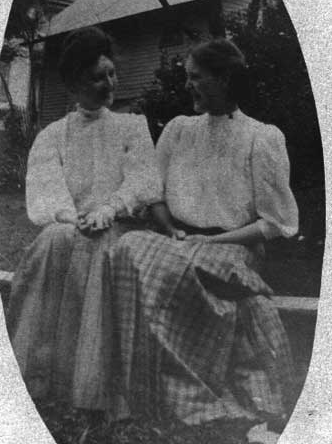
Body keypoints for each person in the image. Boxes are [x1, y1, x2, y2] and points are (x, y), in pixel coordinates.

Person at [111, 37, 299, 439]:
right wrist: (172, 230)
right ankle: (145, 385)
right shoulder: (180, 130)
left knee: (172, 265)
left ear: (225, 78)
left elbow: (275, 222)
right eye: (187, 77)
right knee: (128, 247)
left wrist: (213, 243)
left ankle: (193, 394)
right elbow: (153, 192)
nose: (188, 85)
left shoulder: (261, 137)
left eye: (196, 77)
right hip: (177, 240)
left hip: (232, 249)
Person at [7, 26, 162, 414]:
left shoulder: (132, 127)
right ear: (76, 82)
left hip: (118, 224)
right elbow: (45, 190)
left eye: (111, 73)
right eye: (97, 77)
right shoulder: (54, 135)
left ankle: (93, 381)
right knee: (55, 241)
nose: (108, 83)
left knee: (103, 248)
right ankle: (42, 371)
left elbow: (145, 181)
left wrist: (109, 209)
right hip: (72, 224)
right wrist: (71, 216)